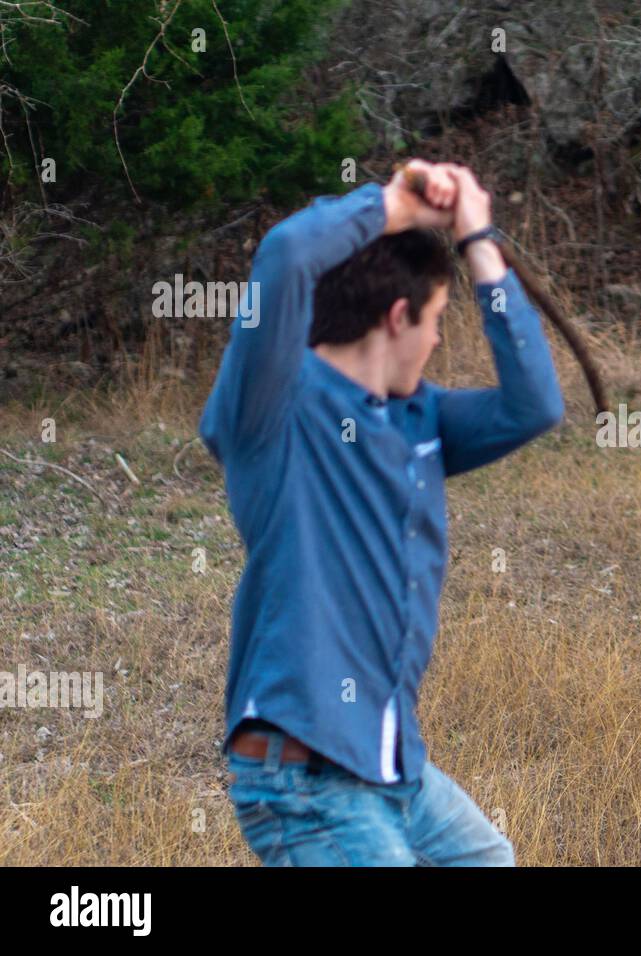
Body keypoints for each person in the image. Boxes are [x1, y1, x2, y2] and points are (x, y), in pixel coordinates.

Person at [199, 160, 564, 864]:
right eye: (435, 323)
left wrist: (477, 242)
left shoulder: (418, 418)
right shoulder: (275, 408)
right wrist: (392, 203)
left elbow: (534, 406)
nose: (435, 344)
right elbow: (284, 256)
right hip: (306, 779)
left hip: (396, 769)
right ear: (399, 317)